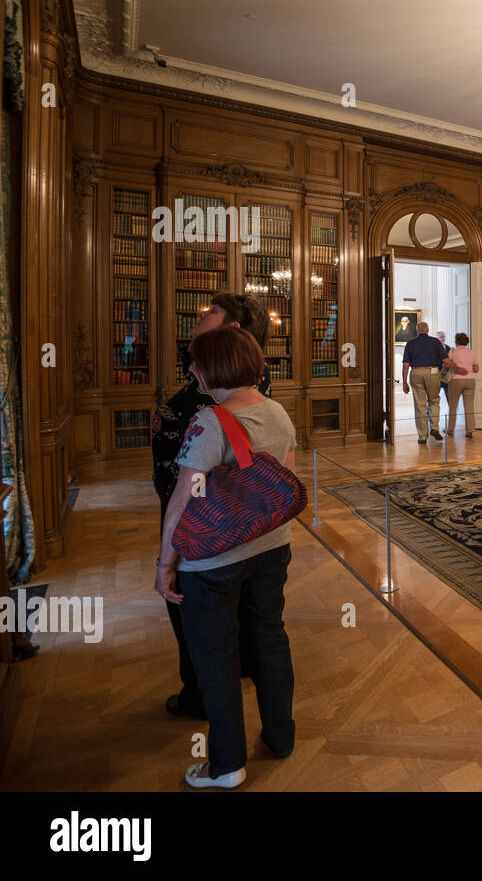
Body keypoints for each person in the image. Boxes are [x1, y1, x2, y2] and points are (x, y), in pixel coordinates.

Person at [155, 326, 298, 789]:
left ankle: (226, 765)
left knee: (217, 658)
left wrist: (164, 565)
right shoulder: (277, 411)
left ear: (213, 366)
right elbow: (286, 486)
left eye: (195, 360)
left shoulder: (209, 421)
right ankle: (280, 737)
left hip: (212, 562)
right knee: (270, 640)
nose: (191, 368)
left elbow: (183, 500)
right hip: (272, 548)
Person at [150, 292, 271, 721]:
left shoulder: (222, 384)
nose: (201, 314)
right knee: (234, 605)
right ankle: (231, 676)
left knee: (194, 608)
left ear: (233, 330)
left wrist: (169, 555)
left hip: (200, 517)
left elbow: (196, 477)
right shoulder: (236, 372)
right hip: (219, 515)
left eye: (212, 312)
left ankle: (203, 695)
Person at [402, 321, 448, 442]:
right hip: (432, 371)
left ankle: (422, 436)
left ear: (417, 331)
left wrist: (404, 382)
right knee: (434, 401)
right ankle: (435, 428)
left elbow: (406, 364)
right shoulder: (435, 342)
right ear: (427, 330)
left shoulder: (410, 343)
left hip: (416, 372)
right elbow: (445, 360)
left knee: (420, 405)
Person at [445, 332, 479, 437]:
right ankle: (469, 431)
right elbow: (476, 369)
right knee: (469, 406)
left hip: (456, 380)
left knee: (453, 405)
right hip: (470, 380)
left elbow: (446, 365)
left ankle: (450, 429)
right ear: (467, 342)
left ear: (456, 341)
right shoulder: (472, 353)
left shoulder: (453, 352)